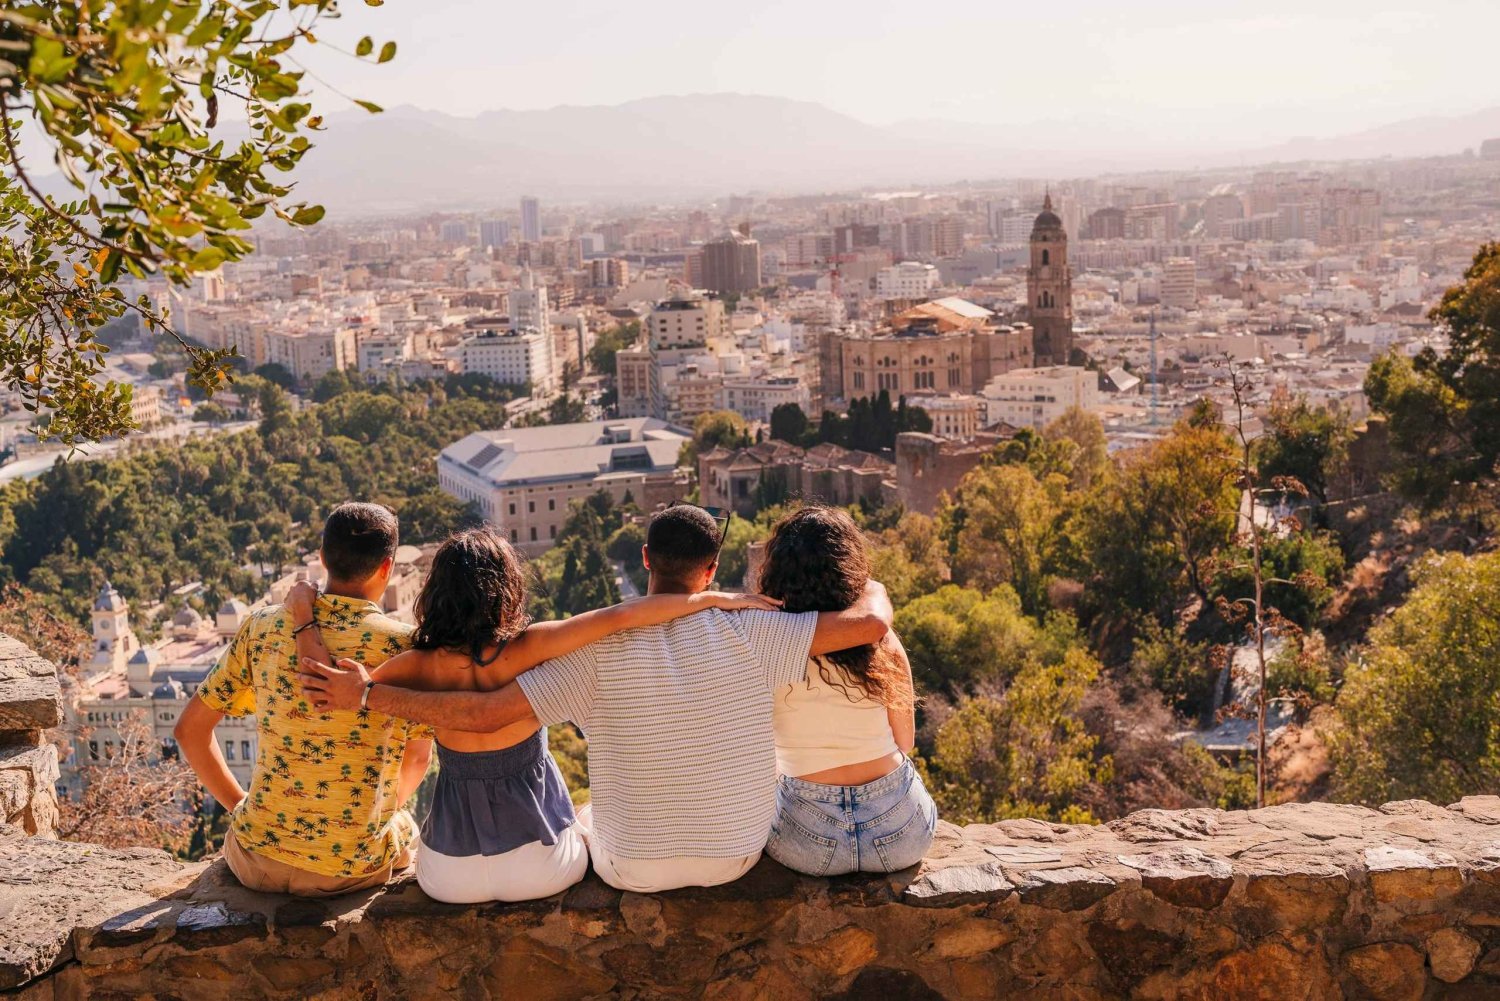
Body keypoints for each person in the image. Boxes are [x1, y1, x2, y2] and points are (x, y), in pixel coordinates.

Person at [300, 503, 893, 893]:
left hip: (620, 870)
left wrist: (329, 647)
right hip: (736, 858)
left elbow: (483, 714)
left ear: (644, 559)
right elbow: (867, 626)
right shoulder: (757, 629)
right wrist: (874, 582)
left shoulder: (581, 657)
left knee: (586, 816)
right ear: (711, 570)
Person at [175, 502, 433, 896]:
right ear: (388, 567)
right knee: (407, 828)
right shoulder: (405, 647)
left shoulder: (261, 628)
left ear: (322, 559)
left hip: (257, 861)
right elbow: (417, 758)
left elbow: (189, 732)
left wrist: (241, 807)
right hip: (352, 867)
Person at [755, 506, 937, 875]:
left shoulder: (763, 648)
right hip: (900, 832)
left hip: (806, 841)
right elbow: (905, 741)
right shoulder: (882, 642)